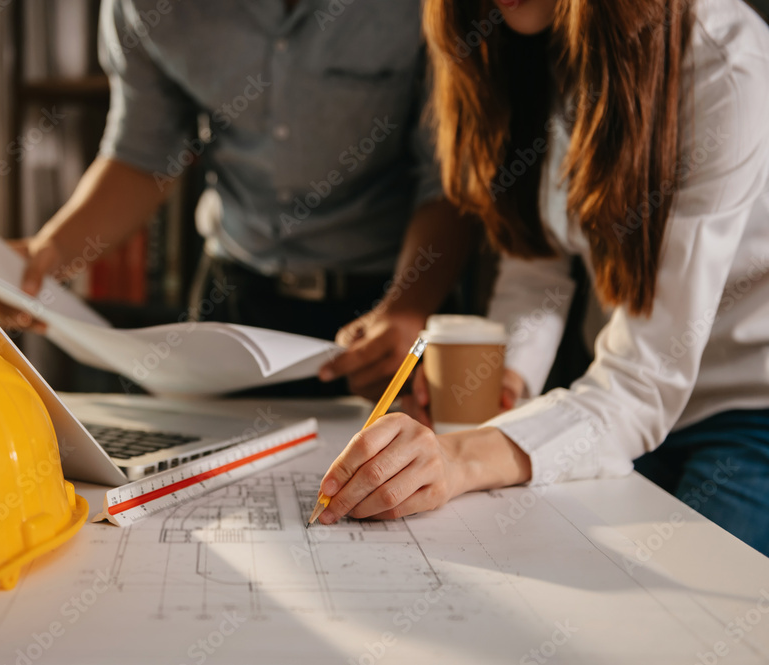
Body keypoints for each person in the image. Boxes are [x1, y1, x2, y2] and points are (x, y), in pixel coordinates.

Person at [315, 0, 769, 556]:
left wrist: (459, 458)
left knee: (682, 613)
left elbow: (643, 382)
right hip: (621, 409)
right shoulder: (524, 38)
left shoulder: (722, 63)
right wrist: (504, 377)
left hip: (749, 411)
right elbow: (539, 263)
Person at [0, 0, 477, 399]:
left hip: (392, 305)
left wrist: (408, 308)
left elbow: (450, 179)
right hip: (234, 303)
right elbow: (142, 156)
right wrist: (50, 253)